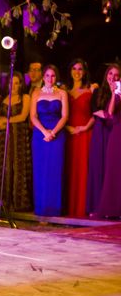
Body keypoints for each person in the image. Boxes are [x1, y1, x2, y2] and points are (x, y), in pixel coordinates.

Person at [30, 65, 68, 217]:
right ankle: (41, 210)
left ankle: (55, 210)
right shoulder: (36, 93)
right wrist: (45, 131)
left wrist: (53, 132)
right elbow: (33, 116)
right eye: (47, 75)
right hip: (40, 135)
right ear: (43, 77)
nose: (50, 79)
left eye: (53, 76)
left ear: (56, 77)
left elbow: (65, 116)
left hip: (57, 134)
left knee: (55, 171)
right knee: (40, 172)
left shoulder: (62, 93)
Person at [0, 71, 32, 212]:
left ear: (21, 85)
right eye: (11, 83)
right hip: (2, 138)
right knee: (2, 167)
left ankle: (18, 204)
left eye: (16, 83)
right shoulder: (1, 98)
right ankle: (2, 203)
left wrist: (6, 121)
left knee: (17, 167)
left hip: (18, 137)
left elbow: (23, 116)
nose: (13, 86)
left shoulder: (25, 97)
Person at [86, 64, 120, 215]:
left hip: (115, 131)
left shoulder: (120, 91)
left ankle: (113, 207)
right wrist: (112, 97)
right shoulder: (101, 91)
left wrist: (105, 114)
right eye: (110, 73)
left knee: (114, 169)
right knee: (104, 168)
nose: (113, 77)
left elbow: (108, 114)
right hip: (106, 132)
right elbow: (100, 111)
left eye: (116, 75)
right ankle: (103, 207)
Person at [65, 59, 94, 217]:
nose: (77, 72)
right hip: (68, 134)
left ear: (84, 72)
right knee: (69, 169)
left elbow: (96, 112)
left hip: (85, 134)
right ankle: (68, 208)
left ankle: (83, 208)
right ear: (70, 71)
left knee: (84, 170)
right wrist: (67, 127)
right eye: (74, 69)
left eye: (80, 69)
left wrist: (85, 127)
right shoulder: (64, 91)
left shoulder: (91, 90)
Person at [95, 77, 121, 218]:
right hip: (117, 134)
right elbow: (110, 113)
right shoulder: (118, 92)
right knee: (114, 171)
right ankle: (113, 209)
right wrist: (113, 94)